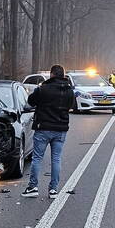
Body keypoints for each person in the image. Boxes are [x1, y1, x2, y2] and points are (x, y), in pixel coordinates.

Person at [22, 65, 77, 199]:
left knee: (37, 158)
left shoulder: (43, 89)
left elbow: (30, 101)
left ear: (51, 75)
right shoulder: (69, 90)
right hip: (60, 129)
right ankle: (53, 189)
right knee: (56, 159)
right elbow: (72, 106)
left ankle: (33, 187)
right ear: (63, 75)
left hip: (43, 128)